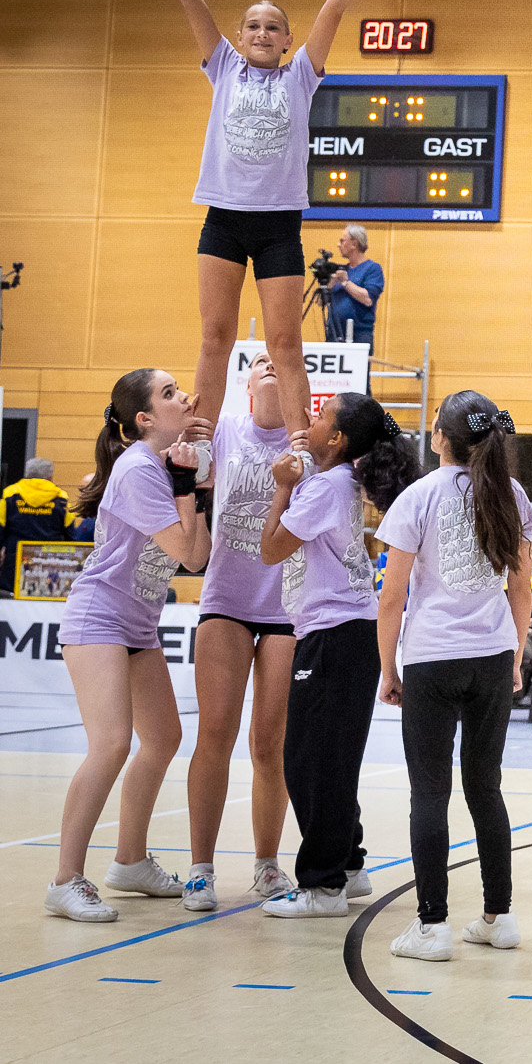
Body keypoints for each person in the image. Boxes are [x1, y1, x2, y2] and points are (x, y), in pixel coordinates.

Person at [136, 0, 400, 482]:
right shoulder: (223, 67)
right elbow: (191, 0)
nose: (261, 33)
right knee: (215, 336)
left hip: (279, 222)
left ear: (286, 40)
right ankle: (201, 445)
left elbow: (334, 9)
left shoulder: (302, 74)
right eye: (252, 25)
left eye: (273, 27)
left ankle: (301, 444)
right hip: (224, 218)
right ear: (238, 36)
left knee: (284, 341)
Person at [45, 369, 210, 922]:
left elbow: (201, 553)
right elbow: (185, 554)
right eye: (169, 394)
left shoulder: (167, 467)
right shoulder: (140, 469)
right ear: (144, 420)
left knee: (163, 737)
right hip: (100, 616)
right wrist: (189, 487)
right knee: (111, 744)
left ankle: (130, 862)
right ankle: (66, 879)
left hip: (138, 622)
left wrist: (199, 484)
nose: (183, 396)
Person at [375, 390, 532, 960]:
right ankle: (499, 917)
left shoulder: (417, 497)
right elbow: (521, 589)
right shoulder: (513, 495)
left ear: (439, 438)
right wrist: (514, 656)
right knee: (485, 787)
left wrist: (387, 666)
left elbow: (391, 596)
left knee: (429, 792)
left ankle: (433, 926)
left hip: (432, 657)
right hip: (492, 656)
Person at [257, 391, 420, 917]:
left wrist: (281, 488)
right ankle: (348, 865)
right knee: (332, 756)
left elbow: (271, 548)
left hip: (334, 633)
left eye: (322, 417)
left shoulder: (323, 487)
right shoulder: (340, 483)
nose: (311, 420)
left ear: (337, 439)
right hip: (350, 633)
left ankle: (322, 885)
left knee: (308, 761)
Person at [183, 351, 298, 913]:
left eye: (280, 360)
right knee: (214, 736)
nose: (270, 364)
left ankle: (268, 865)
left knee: (268, 744)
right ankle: (201, 869)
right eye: (258, 362)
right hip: (226, 600)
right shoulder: (225, 430)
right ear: (246, 382)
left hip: (286, 608)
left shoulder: (305, 444)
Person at [3, 457, 79, 595]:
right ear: (49, 477)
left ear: (26, 474)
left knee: (11, 601)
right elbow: (70, 533)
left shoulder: (9, 494)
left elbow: (1, 526)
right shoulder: (62, 497)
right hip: (47, 562)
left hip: (14, 560)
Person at [325, 225, 385, 355]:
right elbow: (324, 301)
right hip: (334, 333)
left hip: (359, 334)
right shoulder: (341, 270)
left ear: (354, 243)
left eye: (342, 240)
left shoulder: (372, 268)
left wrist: (345, 282)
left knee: (358, 375)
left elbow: (368, 299)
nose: (338, 244)